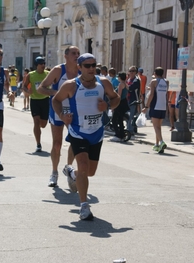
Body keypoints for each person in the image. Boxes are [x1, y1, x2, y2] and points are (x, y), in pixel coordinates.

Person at [52, 53, 120, 220]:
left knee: (89, 172)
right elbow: (56, 100)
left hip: (96, 132)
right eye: (87, 66)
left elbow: (116, 98)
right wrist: (62, 115)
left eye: (94, 65)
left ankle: (71, 173)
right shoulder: (71, 86)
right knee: (82, 164)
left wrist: (108, 105)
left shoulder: (103, 83)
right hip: (78, 131)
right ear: (79, 67)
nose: (91, 69)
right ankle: (84, 207)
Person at [37, 45, 80, 189]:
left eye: (78, 53)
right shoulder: (58, 70)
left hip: (75, 111)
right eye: (74, 53)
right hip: (58, 109)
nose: (77, 55)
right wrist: (58, 93)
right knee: (57, 144)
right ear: (66, 56)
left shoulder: (82, 71)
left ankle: (69, 169)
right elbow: (41, 88)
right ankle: (54, 172)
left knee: (75, 142)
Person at [23, 56, 49, 152]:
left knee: (43, 124)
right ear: (36, 65)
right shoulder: (31, 75)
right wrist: (28, 91)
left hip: (45, 100)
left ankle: (39, 139)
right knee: (36, 122)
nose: (43, 65)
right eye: (41, 63)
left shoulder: (48, 74)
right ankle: (38, 144)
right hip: (34, 100)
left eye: (44, 63)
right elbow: (24, 86)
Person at [142, 67, 169, 153]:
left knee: (155, 126)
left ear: (155, 73)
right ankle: (157, 145)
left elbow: (152, 95)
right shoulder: (166, 81)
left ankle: (161, 142)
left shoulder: (153, 81)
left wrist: (146, 106)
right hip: (163, 106)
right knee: (159, 126)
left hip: (155, 105)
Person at [110, 72, 129, 142]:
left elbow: (119, 95)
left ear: (120, 78)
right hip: (124, 103)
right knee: (120, 120)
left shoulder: (121, 84)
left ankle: (118, 135)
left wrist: (114, 105)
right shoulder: (126, 84)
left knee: (114, 119)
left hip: (120, 103)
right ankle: (122, 134)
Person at [126, 66, 141, 134]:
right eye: (130, 71)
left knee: (131, 116)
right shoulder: (129, 80)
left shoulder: (136, 80)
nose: (131, 72)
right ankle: (130, 128)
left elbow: (131, 88)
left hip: (133, 100)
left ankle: (130, 130)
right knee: (128, 115)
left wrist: (124, 85)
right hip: (127, 100)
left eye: (133, 71)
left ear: (135, 72)